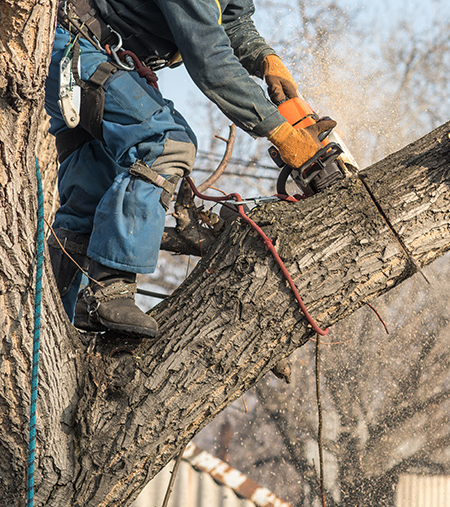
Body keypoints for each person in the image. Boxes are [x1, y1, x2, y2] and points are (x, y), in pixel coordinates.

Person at [44, 0, 332, 337]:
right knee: (167, 141)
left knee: (91, 193)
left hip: (93, 55)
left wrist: (264, 58)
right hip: (73, 50)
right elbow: (210, 61)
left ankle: (49, 320)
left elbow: (233, 22)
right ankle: (110, 291)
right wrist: (281, 133)